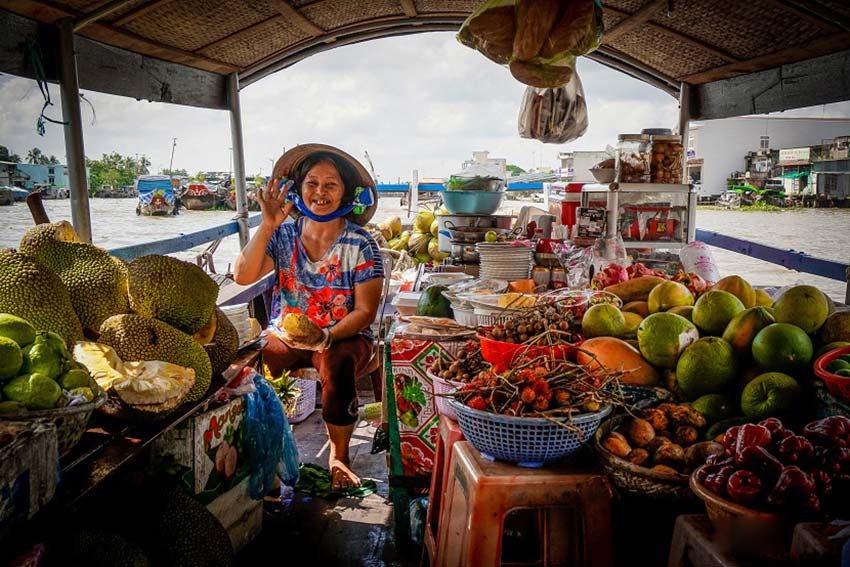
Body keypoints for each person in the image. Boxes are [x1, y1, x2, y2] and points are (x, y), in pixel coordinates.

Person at [234, 145, 383, 491]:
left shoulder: (361, 244)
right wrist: (267, 226)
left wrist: (327, 336)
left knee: (336, 364)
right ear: (298, 190)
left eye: (331, 184)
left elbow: (365, 311)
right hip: (288, 333)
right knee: (255, 360)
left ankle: (339, 457)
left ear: (345, 192)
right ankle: (266, 445)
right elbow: (242, 275)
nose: (320, 192)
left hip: (345, 336)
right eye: (312, 183)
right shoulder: (284, 236)